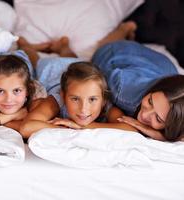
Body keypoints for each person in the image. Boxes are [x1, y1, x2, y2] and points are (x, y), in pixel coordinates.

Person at [19, 22, 184, 142]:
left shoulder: (102, 102)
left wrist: (158, 135)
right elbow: (89, 77)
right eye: (149, 102)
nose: (145, 115)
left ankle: (64, 48)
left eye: (159, 119)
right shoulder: (118, 87)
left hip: (161, 66)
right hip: (121, 53)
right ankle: (124, 29)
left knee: (78, 75)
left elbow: (129, 128)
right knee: (45, 64)